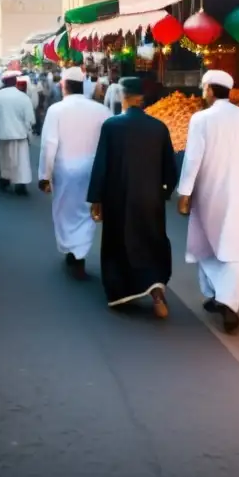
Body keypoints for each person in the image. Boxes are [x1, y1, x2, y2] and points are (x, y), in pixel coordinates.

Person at [177, 70, 239, 334]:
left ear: (211, 90)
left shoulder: (201, 119)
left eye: (204, 88)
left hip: (209, 193)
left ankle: (221, 298)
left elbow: (193, 159)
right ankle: (225, 300)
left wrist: (184, 193)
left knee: (207, 243)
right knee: (235, 248)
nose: (203, 93)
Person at [88, 77, 177, 317]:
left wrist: (96, 198)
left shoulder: (111, 126)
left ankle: (121, 292)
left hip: (118, 198)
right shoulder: (159, 127)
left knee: (120, 242)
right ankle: (156, 292)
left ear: (122, 96)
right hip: (151, 199)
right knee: (151, 240)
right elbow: (171, 168)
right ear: (142, 98)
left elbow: (101, 165)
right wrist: (164, 193)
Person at [38, 66, 111, 279]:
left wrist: (45, 175)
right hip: (93, 169)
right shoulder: (101, 110)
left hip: (65, 170)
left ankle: (74, 250)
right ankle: (80, 250)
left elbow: (49, 145)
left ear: (64, 85)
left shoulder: (56, 110)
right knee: (86, 211)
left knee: (64, 210)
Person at [0, 71, 36, 195]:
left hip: (4, 132)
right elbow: (31, 119)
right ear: (16, 82)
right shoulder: (23, 97)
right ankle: (21, 184)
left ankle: (5, 180)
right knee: (21, 159)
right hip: (21, 133)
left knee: (5, 158)